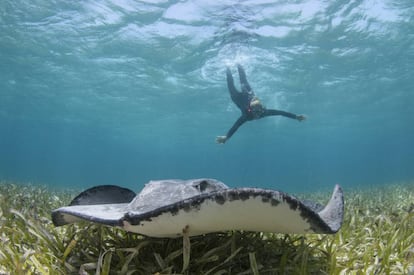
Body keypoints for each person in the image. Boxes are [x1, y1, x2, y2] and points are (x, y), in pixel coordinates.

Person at [216, 64, 306, 144]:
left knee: (231, 82)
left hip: (237, 99)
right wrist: (295, 117)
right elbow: (280, 113)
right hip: (247, 94)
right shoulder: (254, 114)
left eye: (259, 109)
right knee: (243, 80)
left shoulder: (254, 114)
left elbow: (280, 112)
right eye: (257, 110)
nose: (258, 113)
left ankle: (229, 65)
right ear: (250, 109)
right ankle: (237, 63)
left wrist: (227, 137)